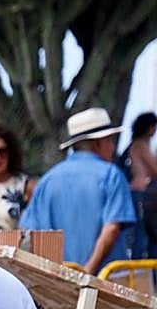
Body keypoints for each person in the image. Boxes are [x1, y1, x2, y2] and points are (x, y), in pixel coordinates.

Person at [20, 107, 135, 274]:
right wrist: (86, 274)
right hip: (106, 286)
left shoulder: (47, 181)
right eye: (111, 140)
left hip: (56, 286)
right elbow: (112, 229)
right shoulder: (111, 175)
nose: (113, 147)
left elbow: (29, 231)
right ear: (97, 143)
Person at [122, 112, 157, 260]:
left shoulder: (134, 144)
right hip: (141, 194)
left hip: (137, 193)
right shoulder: (140, 145)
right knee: (141, 236)